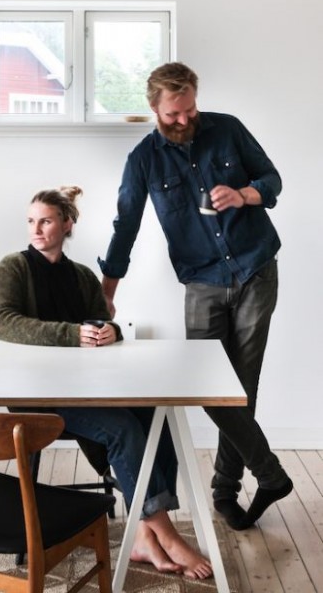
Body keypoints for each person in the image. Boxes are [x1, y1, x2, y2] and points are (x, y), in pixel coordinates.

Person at [98, 62, 293, 531]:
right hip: (202, 281)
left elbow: (272, 180)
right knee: (209, 389)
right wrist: (107, 292)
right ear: (154, 108)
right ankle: (271, 475)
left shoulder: (227, 130)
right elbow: (126, 226)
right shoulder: (143, 160)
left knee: (241, 390)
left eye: (189, 110)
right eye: (173, 114)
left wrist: (244, 194)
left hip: (255, 268)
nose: (184, 120)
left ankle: (224, 491)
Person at [0, 185, 213, 580]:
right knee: (122, 428)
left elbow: (101, 322)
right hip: (39, 395)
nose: (36, 229)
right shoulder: (13, 268)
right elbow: (4, 323)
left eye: (45, 221)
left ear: (66, 224)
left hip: (87, 388)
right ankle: (166, 533)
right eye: (31, 221)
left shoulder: (82, 276)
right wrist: (72, 334)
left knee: (154, 414)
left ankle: (143, 534)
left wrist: (113, 331)